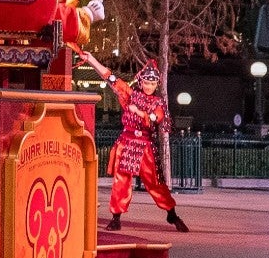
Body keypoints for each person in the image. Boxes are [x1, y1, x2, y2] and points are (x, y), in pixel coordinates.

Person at [74, 49, 189, 233]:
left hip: (145, 145)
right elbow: (110, 78)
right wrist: (91, 59)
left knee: (154, 182)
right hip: (127, 142)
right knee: (121, 180)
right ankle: (116, 217)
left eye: (153, 83)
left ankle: (172, 214)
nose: (149, 86)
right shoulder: (131, 95)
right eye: (147, 82)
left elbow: (156, 117)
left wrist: (140, 113)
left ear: (157, 84)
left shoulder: (158, 102)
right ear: (141, 82)